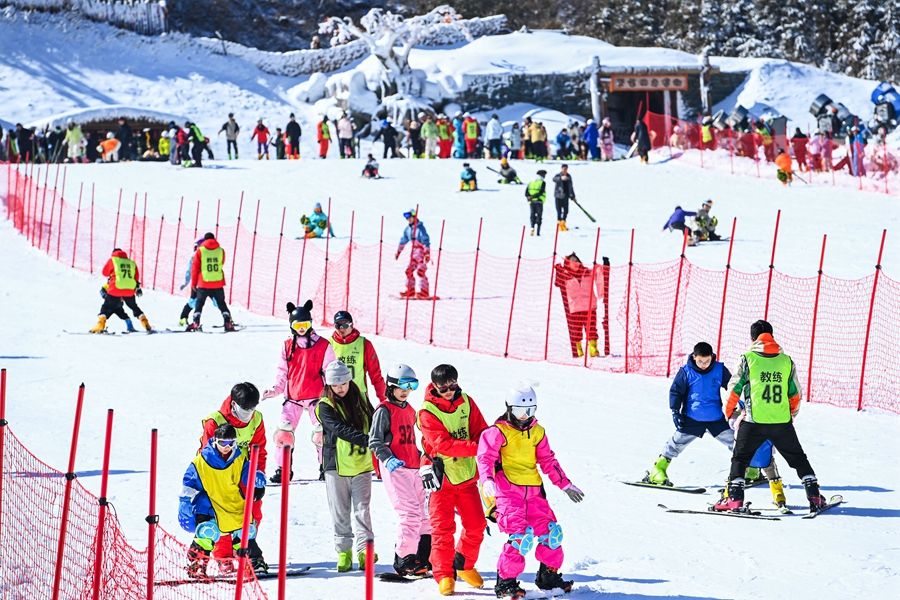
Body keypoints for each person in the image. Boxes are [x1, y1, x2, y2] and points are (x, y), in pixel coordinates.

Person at [477, 382, 583, 597]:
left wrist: (565, 484)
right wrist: (487, 479)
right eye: (519, 410)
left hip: (534, 492)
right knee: (520, 538)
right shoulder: (497, 432)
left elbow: (548, 460)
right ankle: (505, 583)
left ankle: (548, 577)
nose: (525, 415)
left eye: (530, 410)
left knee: (552, 533)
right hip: (508, 493)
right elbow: (485, 457)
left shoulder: (537, 431)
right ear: (509, 407)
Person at [714, 320, 829, 512]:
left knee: (740, 459)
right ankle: (815, 496)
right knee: (798, 458)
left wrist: (728, 413)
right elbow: (795, 393)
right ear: (772, 336)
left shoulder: (747, 359)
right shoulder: (786, 361)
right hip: (781, 422)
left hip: (753, 421)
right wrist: (790, 414)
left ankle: (734, 499)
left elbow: (734, 389)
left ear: (752, 339)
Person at [417, 364, 489, 596]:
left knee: (477, 524)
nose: (449, 391)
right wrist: (478, 448)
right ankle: (444, 574)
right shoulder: (427, 412)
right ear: (435, 386)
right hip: (441, 481)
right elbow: (443, 445)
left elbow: (480, 430)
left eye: (452, 386)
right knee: (442, 529)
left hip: (466, 477)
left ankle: (464, 564)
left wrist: (489, 443)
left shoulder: (466, 402)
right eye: (443, 388)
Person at [368, 364, 433, 577]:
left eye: (412, 385)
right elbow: (374, 441)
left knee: (424, 512)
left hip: (414, 465)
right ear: (391, 386)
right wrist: (388, 459)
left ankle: (423, 556)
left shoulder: (410, 409)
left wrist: (422, 456)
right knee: (410, 512)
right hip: (396, 467)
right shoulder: (384, 410)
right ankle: (404, 558)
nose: (407, 390)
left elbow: (411, 439)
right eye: (403, 385)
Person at [179, 423, 268, 577]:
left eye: (231, 443)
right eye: (223, 443)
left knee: (245, 532)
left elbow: (247, 473)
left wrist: (256, 476)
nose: (227, 447)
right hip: (210, 504)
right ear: (215, 441)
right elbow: (189, 482)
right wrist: (184, 501)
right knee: (207, 532)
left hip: (233, 502)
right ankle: (197, 563)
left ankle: (252, 561)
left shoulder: (239, 458)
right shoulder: (201, 461)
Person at [263, 300, 336, 483]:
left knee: (321, 433)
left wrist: (333, 394)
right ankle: (283, 469)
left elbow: (330, 372)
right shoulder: (288, 346)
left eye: (305, 324)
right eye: (297, 325)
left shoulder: (323, 345)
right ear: (291, 325)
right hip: (293, 398)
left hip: (317, 398)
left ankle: (326, 467)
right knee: (284, 433)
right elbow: (282, 372)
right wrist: (275, 390)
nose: (302, 329)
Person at [198, 383, 268, 572]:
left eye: (252, 409)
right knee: (222, 515)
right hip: (219, 474)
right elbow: (207, 454)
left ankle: (245, 552)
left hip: (244, 472)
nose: (249, 414)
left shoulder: (256, 419)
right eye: (245, 410)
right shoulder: (215, 421)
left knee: (252, 513)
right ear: (234, 404)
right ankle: (223, 556)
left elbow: (259, 450)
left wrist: (258, 476)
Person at [644, 342, 734, 485]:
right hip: (692, 418)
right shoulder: (686, 372)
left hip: (715, 418)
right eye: (700, 361)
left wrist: (737, 407)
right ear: (694, 357)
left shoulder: (720, 370)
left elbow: (733, 387)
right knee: (676, 443)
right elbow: (676, 392)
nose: (704, 365)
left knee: (735, 442)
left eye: (707, 361)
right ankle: (658, 470)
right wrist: (675, 411)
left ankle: (750, 469)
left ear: (712, 357)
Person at [317, 360, 376, 572]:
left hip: (361, 463)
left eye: (343, 383)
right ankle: (344, 552)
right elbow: (339, 429)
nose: (340, 388)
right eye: (335, 384)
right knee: (340, 511)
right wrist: (368, 440)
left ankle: (364, 550)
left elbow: (374, 419)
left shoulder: (360, 398)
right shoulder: (324, 406)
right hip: (336, 465)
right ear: (329, 384)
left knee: (362, 509)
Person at [329, 310, 387, 404]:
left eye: (345, 325)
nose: (341, 329)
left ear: (352, 325)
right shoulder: (329, 344)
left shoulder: (365, 344)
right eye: (337, 326)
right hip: (336, 397)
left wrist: (385, 401)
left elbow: (376, 375)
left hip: (359, 397)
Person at [91, 248, 152, 333]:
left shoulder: (113, 260)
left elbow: (105, 273)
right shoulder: (131, 263)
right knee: (134, 307)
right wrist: (137, 288)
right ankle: (145, 323)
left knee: (106, 307)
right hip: (130, 289)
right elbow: (136, 278)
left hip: (116, 288)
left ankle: (100, 325)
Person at [186, 232, 236, 332]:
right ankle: (227, 321)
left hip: (204, 282)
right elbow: (221, 263)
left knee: (200, 303)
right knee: (221, 302)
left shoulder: (200, 251)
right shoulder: (221, 251)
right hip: (218, 281)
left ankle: (196, 322)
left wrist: (194, 284)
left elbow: (195, 269)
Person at [553, 252, 601, 358]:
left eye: (577, 261)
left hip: (589, 307)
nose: (575, 263)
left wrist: (601, 267)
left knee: (592, 329)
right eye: (572, 261)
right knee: (576, 331)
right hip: (575, 308)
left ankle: (593, 348)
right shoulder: (565, 276)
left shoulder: (587, 272)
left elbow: (598, 273)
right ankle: (578, 349)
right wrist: (558, 271)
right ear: (568, 264)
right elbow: (558, 283)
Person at [396, 209, 431, 298]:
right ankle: (410, 290)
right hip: (414, 253)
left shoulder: (420, 228)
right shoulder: (408, 229)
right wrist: (399, 251)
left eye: (410, 218)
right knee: (409, 271)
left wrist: (427, 253)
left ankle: (424, 292)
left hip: (422, 253)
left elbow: (426, 241)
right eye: (407, 218)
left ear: (414, 217)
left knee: (420, 272)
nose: (408, 220)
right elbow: (403, 240)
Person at [552, 165, 576, 231]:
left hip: (566, 196)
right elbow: (554, 179)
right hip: (558, 195)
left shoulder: (569, 176)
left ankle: (563, 223)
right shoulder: (558, 175)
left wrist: (573, 196)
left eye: (566, 169)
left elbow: (571, 187)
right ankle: (559, 224)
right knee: (559, 211)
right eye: (564, 169)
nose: (565, 170)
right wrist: (561, 178)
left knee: (566, 210)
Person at [526, 170, 547, 236]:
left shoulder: (531, 182)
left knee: (532, 216)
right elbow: (541, 192)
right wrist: (534, 196)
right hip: (539, 201)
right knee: (539, 216)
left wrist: (529, 197)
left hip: (531, 202)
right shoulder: (542, 182)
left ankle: (532, 228)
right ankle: (538, 231)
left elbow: (526, 192)